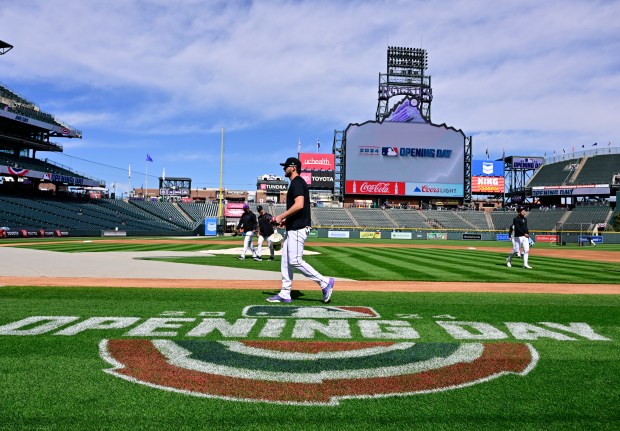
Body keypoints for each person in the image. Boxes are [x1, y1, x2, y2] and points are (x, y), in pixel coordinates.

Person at [267, 157, 334, 303]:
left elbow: (299, 205)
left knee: (295, 260)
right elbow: (298, 208)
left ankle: (324, 282)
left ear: (293, 168)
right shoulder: (295, 183)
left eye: (286, 167)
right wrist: (286, 221)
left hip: (299, 228)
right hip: (294, 227)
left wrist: (280, 217)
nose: (284, 169)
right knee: (286, 261)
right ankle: (285, 292)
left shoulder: (297, 182)